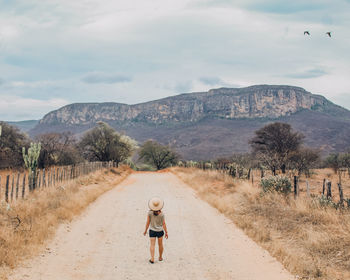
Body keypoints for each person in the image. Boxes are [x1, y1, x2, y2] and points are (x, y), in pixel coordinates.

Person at [143, 197, 168, 264]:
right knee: (160, 245)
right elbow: (164, 224)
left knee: (152, 245)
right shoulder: (162, 214)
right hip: (160, 231)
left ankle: (152, 258)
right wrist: (166, 232)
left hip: (152, 231)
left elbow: (147, 222)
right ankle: (160, 257)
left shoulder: (150, 213)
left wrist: (145, 230)